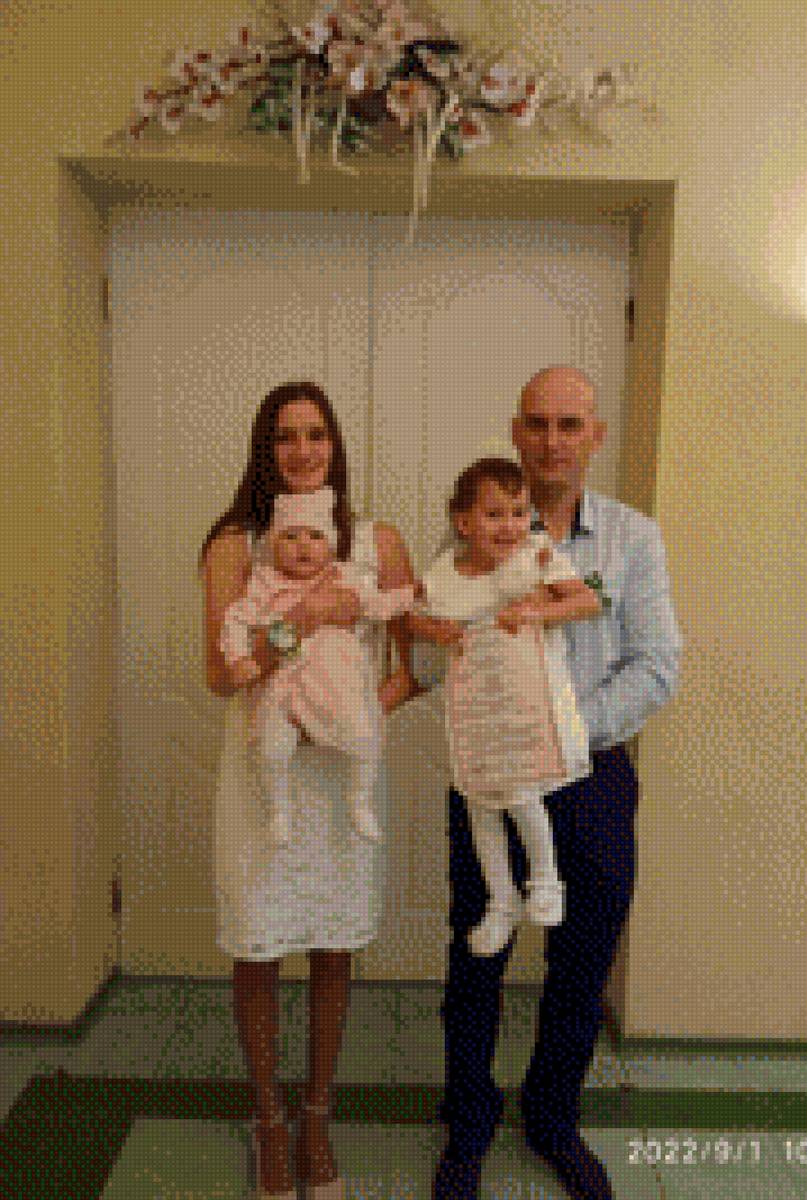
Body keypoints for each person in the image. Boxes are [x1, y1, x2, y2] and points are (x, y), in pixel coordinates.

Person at [430, 367, 681, 1200]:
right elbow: (437, 650)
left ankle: (552, 1120)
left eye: (569, 424)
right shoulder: (479, 530)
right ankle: (468, 1123)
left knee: (581, 961)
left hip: (593, 775)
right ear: (515, 431)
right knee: (477, 954)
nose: (551, 441)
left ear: (594, 435)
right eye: (536, 423)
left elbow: (657, 664)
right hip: (492, 777)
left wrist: (563, 734)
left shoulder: (632, 539)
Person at [201, 381, 417, 1200]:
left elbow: (414, 666)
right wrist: (307, 619)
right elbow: (221, 674)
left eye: (315, 435)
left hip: (340, 776)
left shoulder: (376, 541)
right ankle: (268, 1119)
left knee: (333, 945)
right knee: (257, 946)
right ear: (265, 449)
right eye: (285, 436)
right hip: (266, 774)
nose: (301, 451)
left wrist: (357, 718)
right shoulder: (237, 545)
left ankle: (317, 1117)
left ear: (335, 445)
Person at [410, 457, 600, 957]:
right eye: (495, 514)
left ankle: (546, 879)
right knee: (480, 802)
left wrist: (538, 610)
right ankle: (501, 900)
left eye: (519, 513)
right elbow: (413, 616)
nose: (510, 526)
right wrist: (437, 630)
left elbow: (587, 601)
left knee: (520, 793)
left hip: (525, 706)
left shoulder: (536, 558)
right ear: (463, 522)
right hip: (476, 709)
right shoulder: (445, 574)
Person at [221, 487, 417, 846]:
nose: (303, 545)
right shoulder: (264, 584)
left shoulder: (343, 578)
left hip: (336, 683)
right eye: (290, 536)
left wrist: (414, 593)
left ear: (330, 545)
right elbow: (235, 618)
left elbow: (378, 604)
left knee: (365, 737)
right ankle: (278, 810)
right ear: (272, 545)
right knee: (272, 745)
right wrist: (238, 658)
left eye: (315, 536)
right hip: (285, 685)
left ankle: (360, 800)